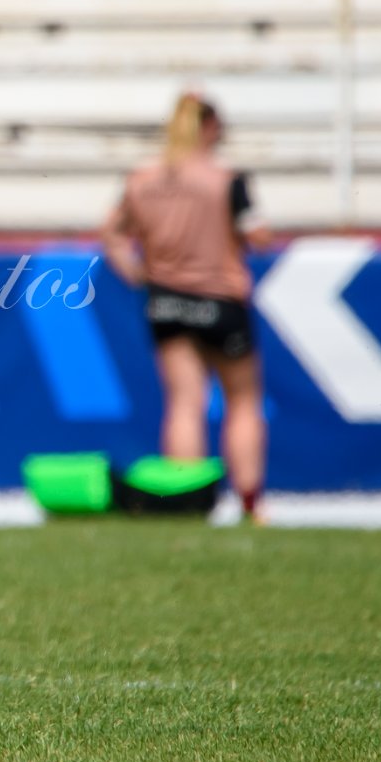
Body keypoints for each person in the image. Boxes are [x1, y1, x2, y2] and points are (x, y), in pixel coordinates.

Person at [101, 92, 272, 518]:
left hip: (166, 301)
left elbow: (112, 235)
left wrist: (136, 272)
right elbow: (258, 236)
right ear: (210, 128)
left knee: (183, 401)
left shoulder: (142, 180)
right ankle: (251, 503)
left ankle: (186, 500)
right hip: (220, 298)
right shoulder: (226, 180)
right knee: (243, 400)